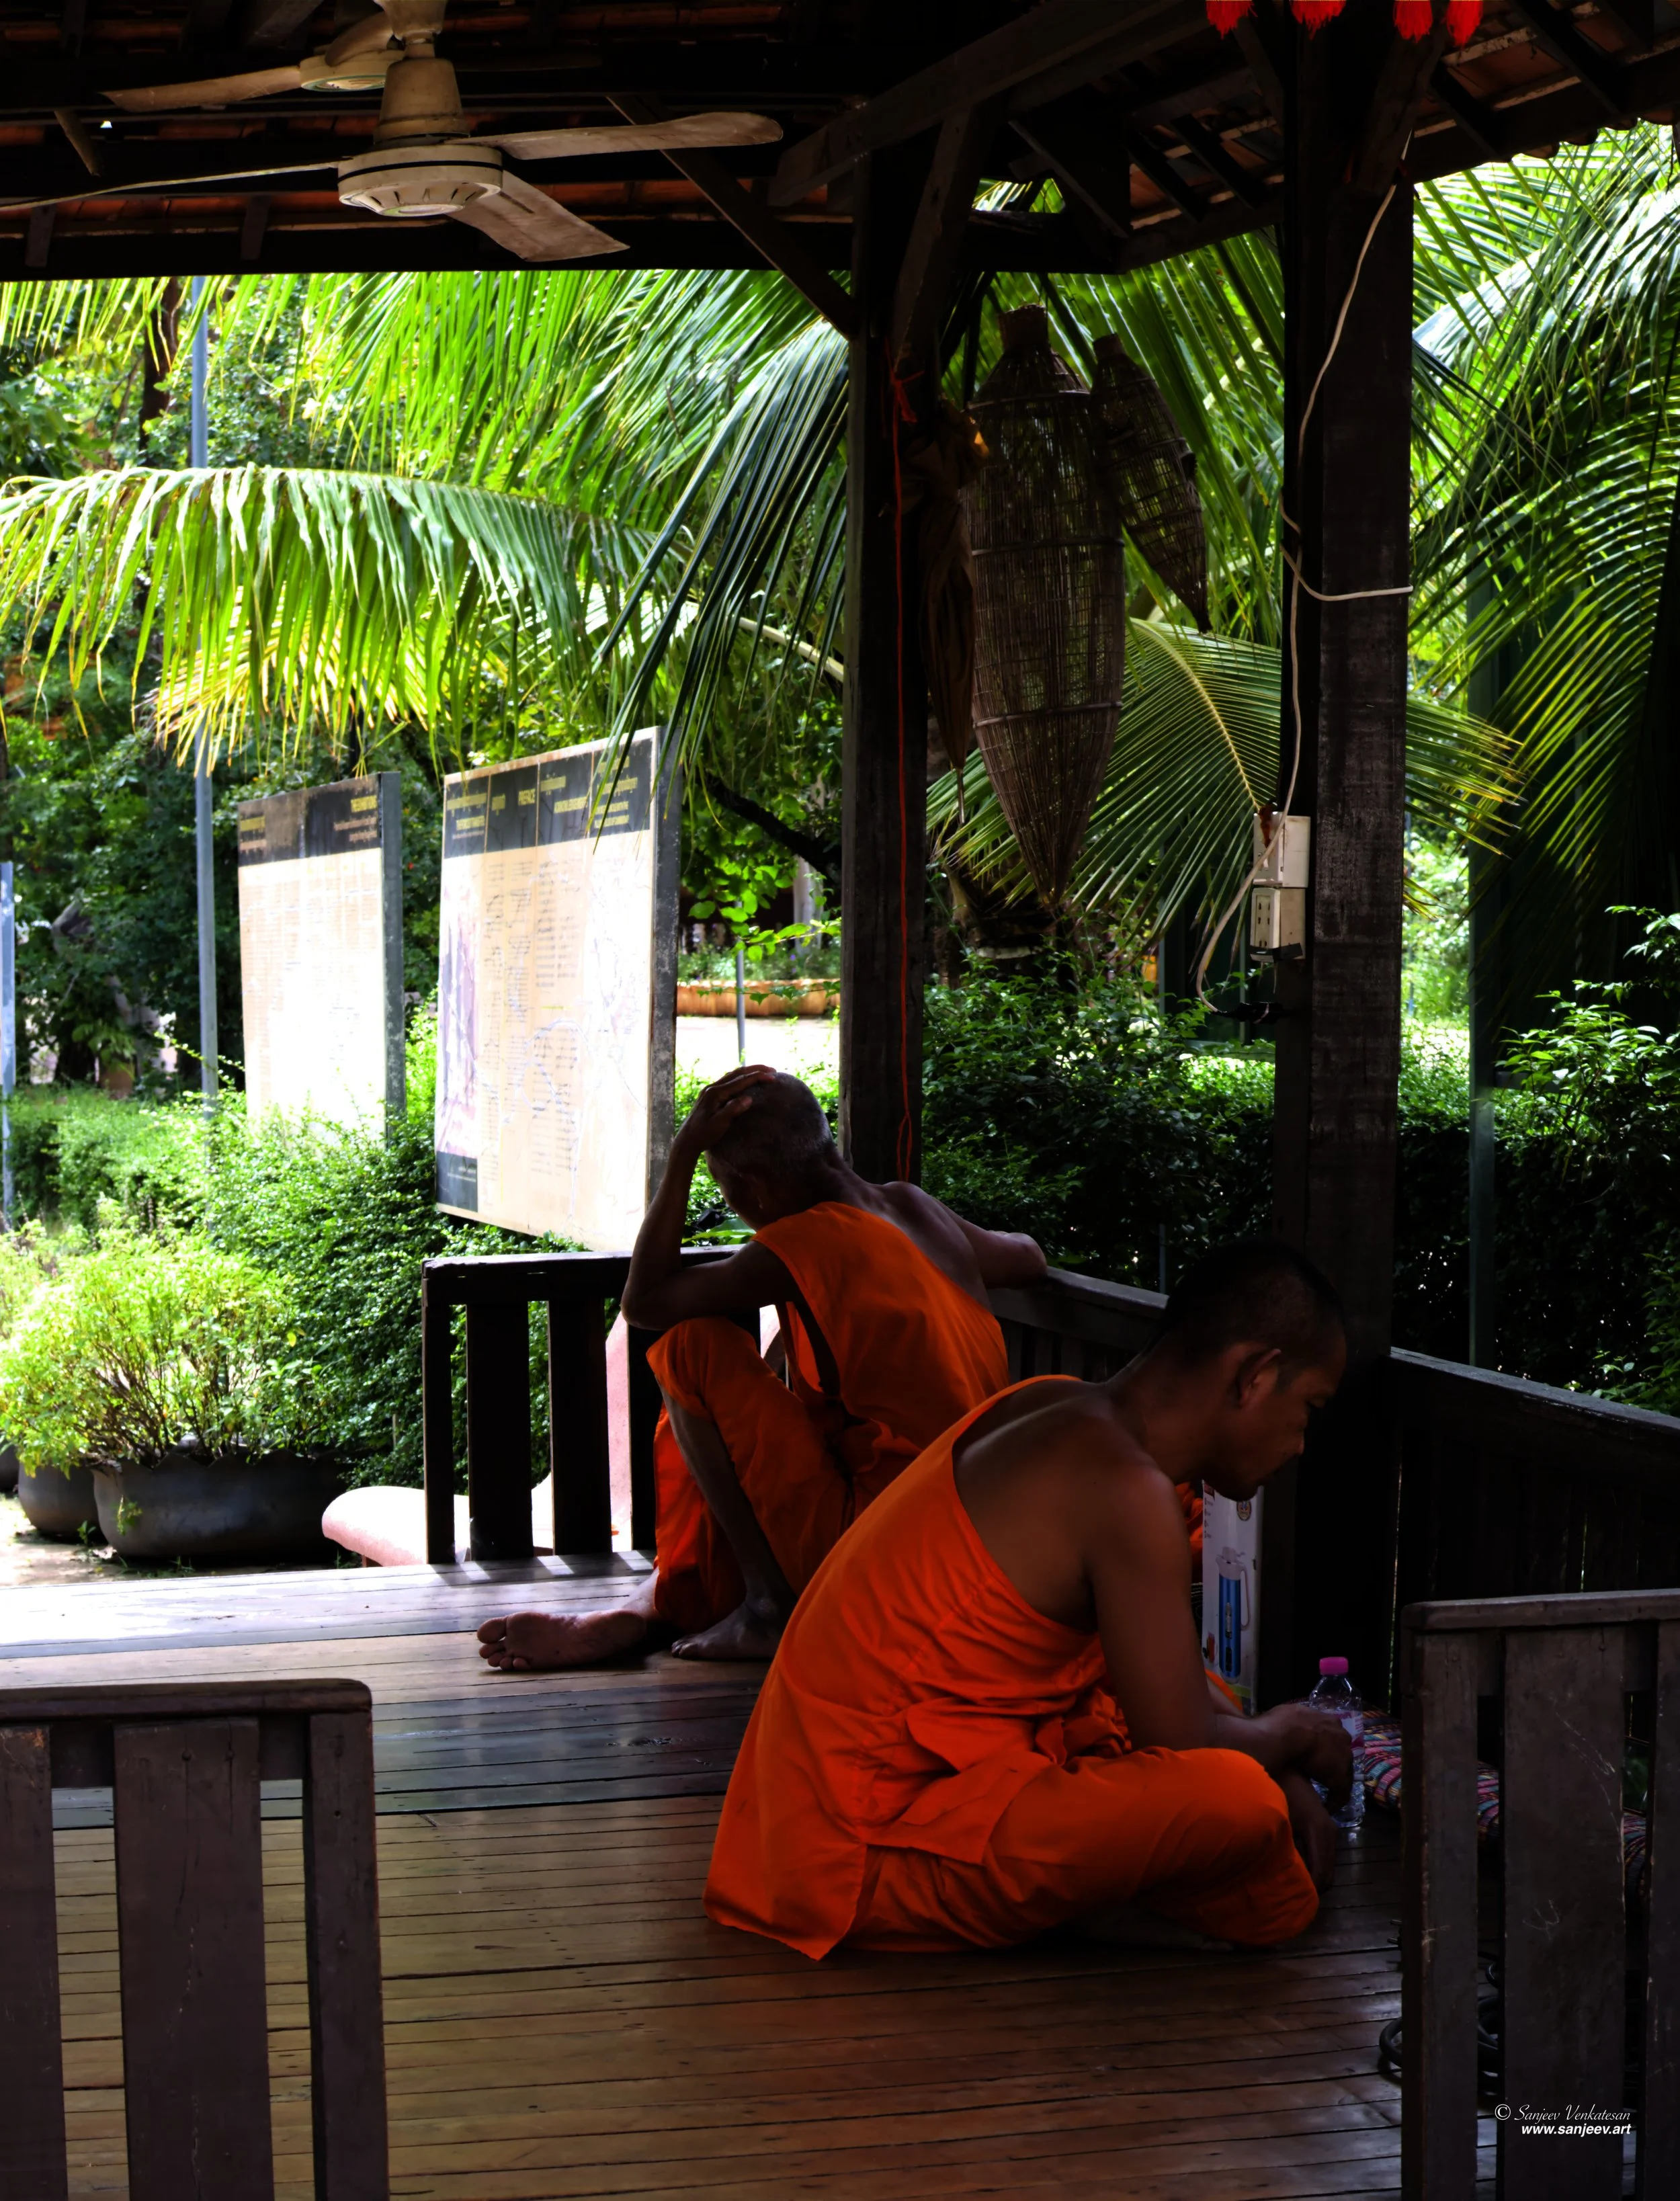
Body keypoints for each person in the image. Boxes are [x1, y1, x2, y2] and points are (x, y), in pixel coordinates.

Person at [704, 1239, 1354, 1958]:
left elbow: (1155, 1684)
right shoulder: (1122, 1485)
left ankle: (1085, 1897)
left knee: (1215, 1753)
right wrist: (1292, 1735)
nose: (1300, 1444)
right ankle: (1082, 1903)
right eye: (1308, 1408)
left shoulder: (1054, 1402)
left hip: (810, 1819)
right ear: (1255, 1376)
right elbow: (1186, 1743)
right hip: (853, 1853)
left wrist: (1270, 1752)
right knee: (1242, 1808)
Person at [478, 1065, 1046, 1671]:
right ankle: (647, 1608)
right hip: (976, 1532)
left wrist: (682, 1156)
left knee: (692, 1348)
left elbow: (643, 1304)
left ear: (754, 1189)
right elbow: (1029, 1257)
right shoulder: (912, 1205)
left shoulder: (805, 1240)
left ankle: (767, 1605)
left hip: (885, 1546)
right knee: (784, 1413)